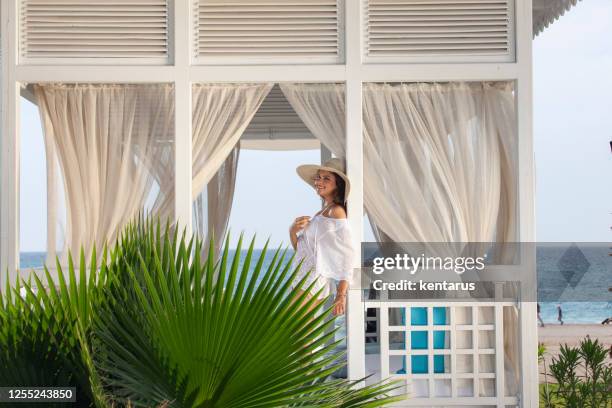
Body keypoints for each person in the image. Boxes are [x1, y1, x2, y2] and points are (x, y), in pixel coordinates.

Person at [289, 158, 354, 316]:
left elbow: (347, 255)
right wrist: (292, 230)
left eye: (326, 178)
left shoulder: (336, 212)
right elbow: (302, 249)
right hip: (301, 278)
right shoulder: (324, 211)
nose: (319, 181)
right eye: (318, 177)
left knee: (296, 331)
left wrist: (340, 295)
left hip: (312, 280)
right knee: (300, 333)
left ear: (337, 184)